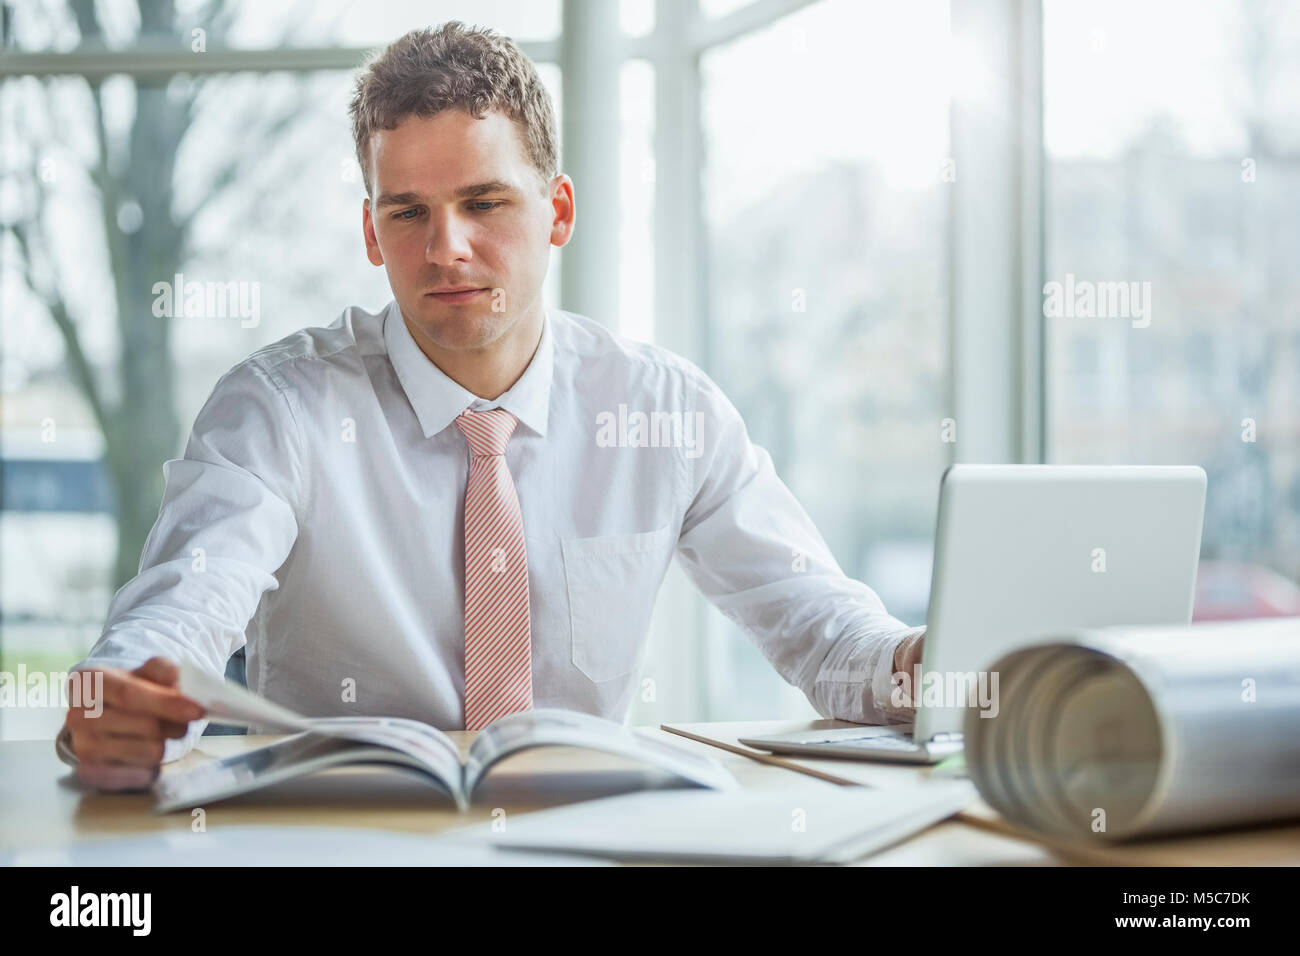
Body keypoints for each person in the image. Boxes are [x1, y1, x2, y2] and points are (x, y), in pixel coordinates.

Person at [58, 21, 926, 790]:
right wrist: (124, 697)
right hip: (341, 844)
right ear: (371, 232)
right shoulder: (279, 409)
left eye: (485, 202)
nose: (447, 249)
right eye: (408, 213)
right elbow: (181, 612)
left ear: (558, 210)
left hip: (582, 840)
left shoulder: (664, 410)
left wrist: (917, 667)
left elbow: (821, 629)